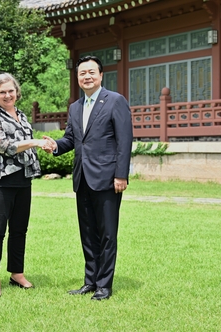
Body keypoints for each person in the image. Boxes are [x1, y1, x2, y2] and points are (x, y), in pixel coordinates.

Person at [43, 55, 133, 300]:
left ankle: (104, 285)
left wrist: (121, 175)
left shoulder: (115, 101)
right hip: (82, 179)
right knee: (88, 233)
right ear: (78, 77)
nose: (87, 76)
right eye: (82, 73)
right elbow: (72, 140)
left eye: (92, 72)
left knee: (106, 234)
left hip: (107, 179)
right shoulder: (75, 107)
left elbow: (124, 141)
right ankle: (90, 281)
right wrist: (55, 146)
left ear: (101, 75)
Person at [0, 72, 47, 297]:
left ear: (17, 92)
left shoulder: (22, 115)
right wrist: (36, 142)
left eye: (11, 91)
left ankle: (17, 273)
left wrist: (41, 145)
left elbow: (24, 145)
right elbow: (3, 146)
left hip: (22, 180)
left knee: (19, 230)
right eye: (2, 92)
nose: (7, 95)